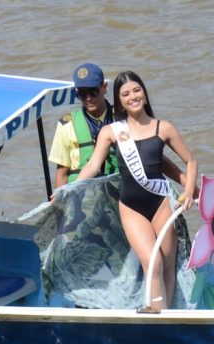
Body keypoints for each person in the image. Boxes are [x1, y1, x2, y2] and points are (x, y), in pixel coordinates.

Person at [76, 71, 197, 310]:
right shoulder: (111, 132)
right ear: (119, 100)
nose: (133, 96)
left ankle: (166, 316)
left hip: (162, 204)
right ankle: (155, 314)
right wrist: (71, 189)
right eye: (126, 93)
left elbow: (190, 161)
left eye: (137, 90)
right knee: (153, 263)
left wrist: (190, 190)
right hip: (132, 208)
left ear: (144, 92)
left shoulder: (164, 128)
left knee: (168, 263)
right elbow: (92, 165)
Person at [48, 63, 188, 190]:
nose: (88, 98)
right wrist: (61, 207)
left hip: (120, 193)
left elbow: (153, 156)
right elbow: (62, 173)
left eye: (93, 91)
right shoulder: (66, 124)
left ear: (104, 88)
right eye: (82, 93)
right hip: (83, 199)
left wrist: (188, 184)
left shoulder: (126, 119)